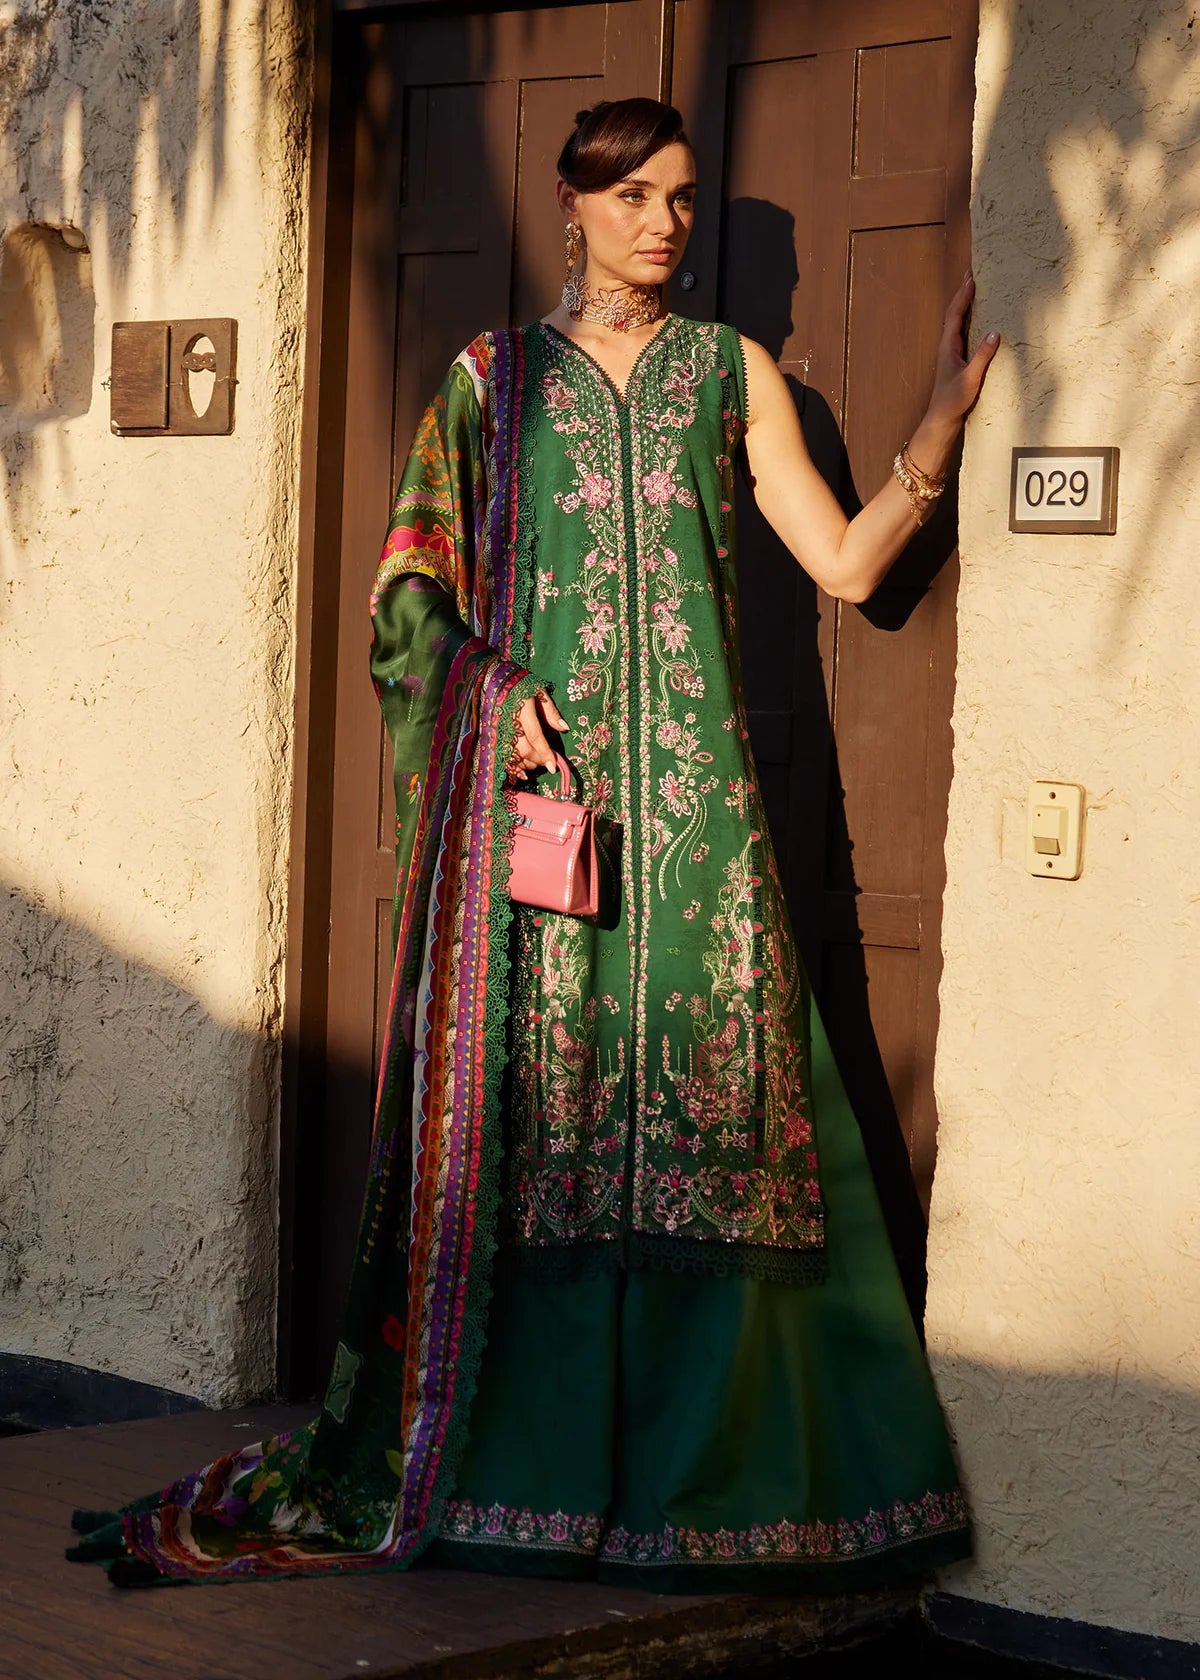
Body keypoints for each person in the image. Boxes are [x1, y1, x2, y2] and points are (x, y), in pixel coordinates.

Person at [68, 98, 997, 1590]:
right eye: (633, 197)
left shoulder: (729, 372)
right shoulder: (491, 383)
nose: (663, 224)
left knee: (717, 1143)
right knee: (550, 1140)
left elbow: (841, 560)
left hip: (698, 831)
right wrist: (495, 696)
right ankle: (528, 1474)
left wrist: (937, 432)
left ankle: (716, 1485)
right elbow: (405, 594)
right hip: (543, 833)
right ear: (571, 203)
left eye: (681, 197)